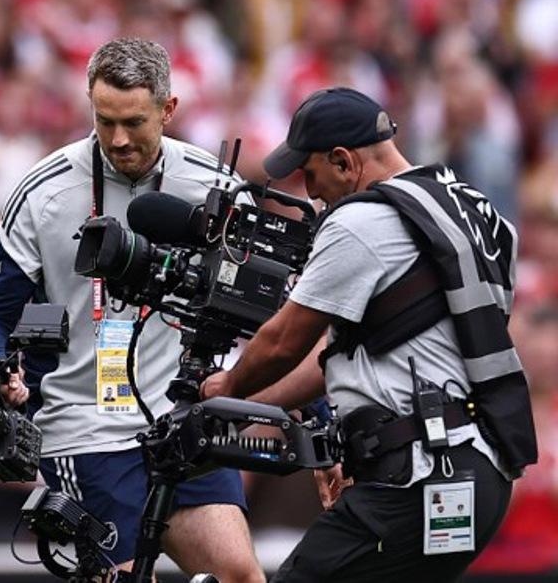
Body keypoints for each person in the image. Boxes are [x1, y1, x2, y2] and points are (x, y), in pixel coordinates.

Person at [202, 87, 537, 582]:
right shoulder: (477, 214)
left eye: (309, 173)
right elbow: (338, 357)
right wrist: (238, 411)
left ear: (343, 162)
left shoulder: (362, 222)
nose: (311, 192)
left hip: (420, 474)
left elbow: (284, 341)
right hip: (477, 474)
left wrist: (227, 387)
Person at [0, 38, 264, 582]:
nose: (118, 139)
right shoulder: (42, 191)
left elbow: (275, 320)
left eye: (134, 121)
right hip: (84, 429)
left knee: (241, 576)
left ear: (169, 109)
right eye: (104, 121)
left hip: (181, 422)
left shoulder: (217, 189)